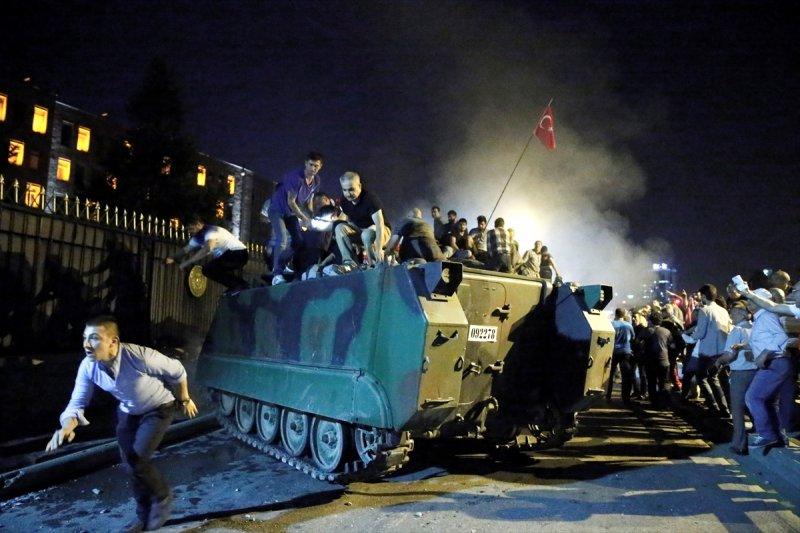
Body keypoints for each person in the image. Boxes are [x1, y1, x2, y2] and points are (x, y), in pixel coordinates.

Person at [45, 316, 198, 532]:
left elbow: (178, 371)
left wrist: (184, 399)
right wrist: (67, 427)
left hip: (159, 408)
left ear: (113, 342)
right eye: (85, 338)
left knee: (137, 458)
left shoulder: (140, 357)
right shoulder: (88, 366)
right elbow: (77, 403)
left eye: (95, 338)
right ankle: (143, 517)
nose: (87, 344)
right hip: (129, 411)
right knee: (130, 464)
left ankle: (162, 498)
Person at [741, 287, 798, 450]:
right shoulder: (761, 317)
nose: (749, 303)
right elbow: (766, 339)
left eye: (753, 300)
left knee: (753, 398)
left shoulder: (766, 315)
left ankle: (767, 435)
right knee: (769, 401)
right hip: (776, 363)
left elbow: (781, 336)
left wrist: (764, 354)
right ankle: (778, 435)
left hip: (775, 363)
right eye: (750, 300)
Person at [267, 151, 324, 285]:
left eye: (316, 166)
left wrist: (311, 216)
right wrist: (304, 218)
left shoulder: (316, 180)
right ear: (305, 163)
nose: (313, 169)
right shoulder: (295, 178)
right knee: (282, 238)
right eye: (311, 165)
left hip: (290, 213)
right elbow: (291, 202)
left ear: (320, 166)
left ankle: (282, 263)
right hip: (277, 209)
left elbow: (309, 199)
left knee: (298, 240)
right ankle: (276, 274)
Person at [713, 301, 757, 455]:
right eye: (731, 311)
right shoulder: (755, 327)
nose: (731, 314)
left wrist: (719, 362)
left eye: (735, 311)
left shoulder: (737, 330)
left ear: (745, 313)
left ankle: (739, 444)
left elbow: (730, 355)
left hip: (740, 374)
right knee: (755, 407)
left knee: (737, 410)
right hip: (757, 372)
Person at [166, 216, 249, 291]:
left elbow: (207, 248)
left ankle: (240, 285)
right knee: (216, 269)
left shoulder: (210, 231)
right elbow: (186, 249)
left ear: (198, 224)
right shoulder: (197, 237)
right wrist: (172, 257)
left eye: (191, 229)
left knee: (208, 269)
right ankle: (235, 286)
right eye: (188, 230)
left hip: (238, 254)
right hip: (229, 256)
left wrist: (188, 262)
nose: (190, 232)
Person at [687, 284, 732, 416]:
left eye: (700, 296)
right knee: (716, 379)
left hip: (708, 351)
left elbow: (700, 333)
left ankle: (715, 406)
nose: (699, 298)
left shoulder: (705, 310)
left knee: (703, 378)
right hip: (722, 351)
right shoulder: (723, 310)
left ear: (704, 296)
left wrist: (688, 336)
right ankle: (725, 409)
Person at [335, 172, 390, 266]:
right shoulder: (344, 202)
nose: (348, 194)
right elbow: (348, 222)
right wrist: (353, 241)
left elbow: (379, 224)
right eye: (345, 190)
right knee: (339, 228)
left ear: (359, 186)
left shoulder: (370, 199)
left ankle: (374, 263)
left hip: (381, 231)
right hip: (360, 230)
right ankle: (349, 263)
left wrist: (379, 247)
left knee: (366, 234)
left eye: (351, 189)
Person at [641, 315, 673, 408]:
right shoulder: (667, 331)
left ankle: (654, 403)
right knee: (665, 382)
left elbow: (637, 341)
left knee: (652, 382)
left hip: (650, 361)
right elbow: (671, 344)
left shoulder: (647, 330)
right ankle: (665, 403)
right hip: (664, 360)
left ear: (651, 321)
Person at [607, 308, 636, 406]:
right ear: (624, 315)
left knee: (610, 374)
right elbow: (633, 338)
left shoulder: (611, 324)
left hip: (614, 351)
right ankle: (626, 398)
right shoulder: (629, 325)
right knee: (626, 375)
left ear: (616, 314)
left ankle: (608, 395)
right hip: (626, 351)